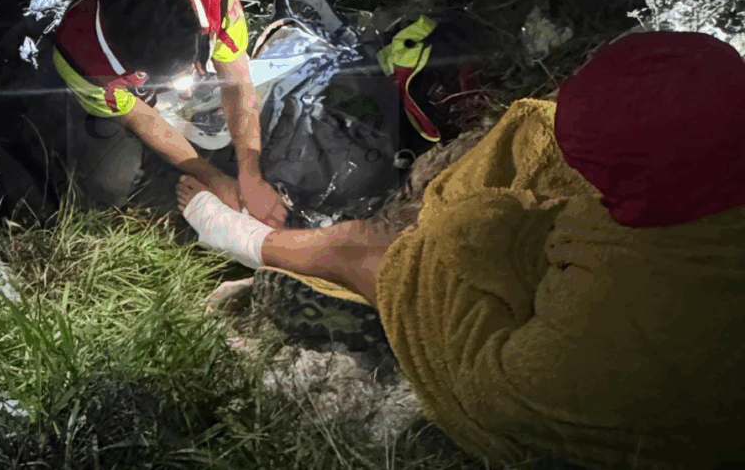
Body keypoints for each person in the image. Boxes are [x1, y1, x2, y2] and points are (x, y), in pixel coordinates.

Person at [175, 31, 745, 469]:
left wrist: (479, 236)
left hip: (546, 347)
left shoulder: (618, 330)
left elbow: (494, 396)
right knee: (526, 136)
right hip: (667, 222)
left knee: (378, 250)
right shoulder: (715, 146)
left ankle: (248, 240)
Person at [41, 0, 287, 227]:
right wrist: (210, 176)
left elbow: (238, 82)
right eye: (170, 79)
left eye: (191, 64)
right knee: (107, 184)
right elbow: (142, 118)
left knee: (267, 122)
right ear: (131, 70)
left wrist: (250, 175)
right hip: (121, 98)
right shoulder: (81, 60)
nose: (184, 91)